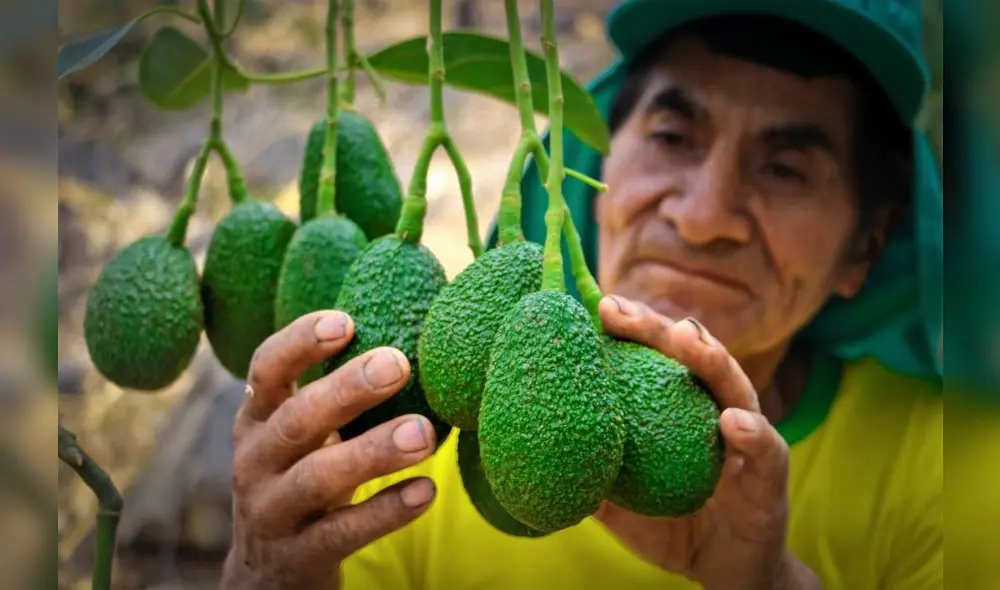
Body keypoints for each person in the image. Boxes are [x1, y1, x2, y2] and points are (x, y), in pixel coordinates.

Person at [219, 0, 950, 588]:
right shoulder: (422, 427)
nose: (702, 217)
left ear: (868, 245)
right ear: (595, 177)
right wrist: (263, 575)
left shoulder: (947, 468)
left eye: (786, 169)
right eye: (672, 136)